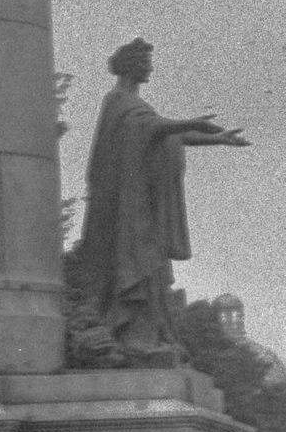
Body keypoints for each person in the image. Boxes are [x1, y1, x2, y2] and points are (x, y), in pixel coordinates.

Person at [74, 39, 247, 360]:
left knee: (151, 266)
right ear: (132, 65)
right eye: (146, 62)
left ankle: (146, 334)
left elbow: (163, 133)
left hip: (141, 207)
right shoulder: (117, 101)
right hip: (127, 208)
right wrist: (192, 123)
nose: (150, 67)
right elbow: (153, 129)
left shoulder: (136, 106)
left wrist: (216, 138)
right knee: (139, 263)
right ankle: (132, 336)